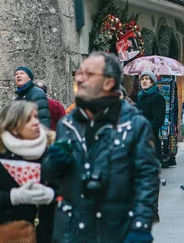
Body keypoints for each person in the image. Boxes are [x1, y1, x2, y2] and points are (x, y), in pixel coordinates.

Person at [43, 52, 159, 243]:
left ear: (108, 83)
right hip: (73, 231)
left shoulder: (135, 125)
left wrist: (140, 226)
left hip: (117, 229)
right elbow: (52, 179)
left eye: (88, 74)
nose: (79, 78)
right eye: (79, 73)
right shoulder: (68, 124)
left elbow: (146, 180)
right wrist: (52, 164)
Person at [0, 100, 56, 243]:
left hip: (44, 235)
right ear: (14, 127)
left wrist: (51, 195)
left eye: (36, 117)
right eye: (28, 119)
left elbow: (67, 191)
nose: (36, 122)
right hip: (3, 235)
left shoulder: (51, 151)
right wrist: (13, 197)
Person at [135, 70, 167, 164]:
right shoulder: (141, 97)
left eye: (147, 79)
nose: (144, 81)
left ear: (152, 82)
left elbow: (158, 121)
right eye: (142, 79)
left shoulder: (157, 98)